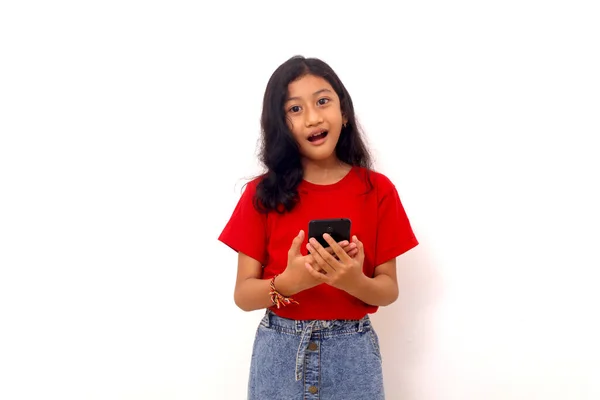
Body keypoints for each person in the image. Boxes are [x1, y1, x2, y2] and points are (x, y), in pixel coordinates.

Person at [218, 55, 419, 400]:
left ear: (344, 112)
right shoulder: (261, 194)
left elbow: (389, 290)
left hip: (353, 354)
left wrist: (352, 280)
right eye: (294, 109)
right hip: (280, 352)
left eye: (322, 101)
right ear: (280, 123)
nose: (312, 117)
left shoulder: (377, 191)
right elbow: (243, 295)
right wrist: (291, 282)